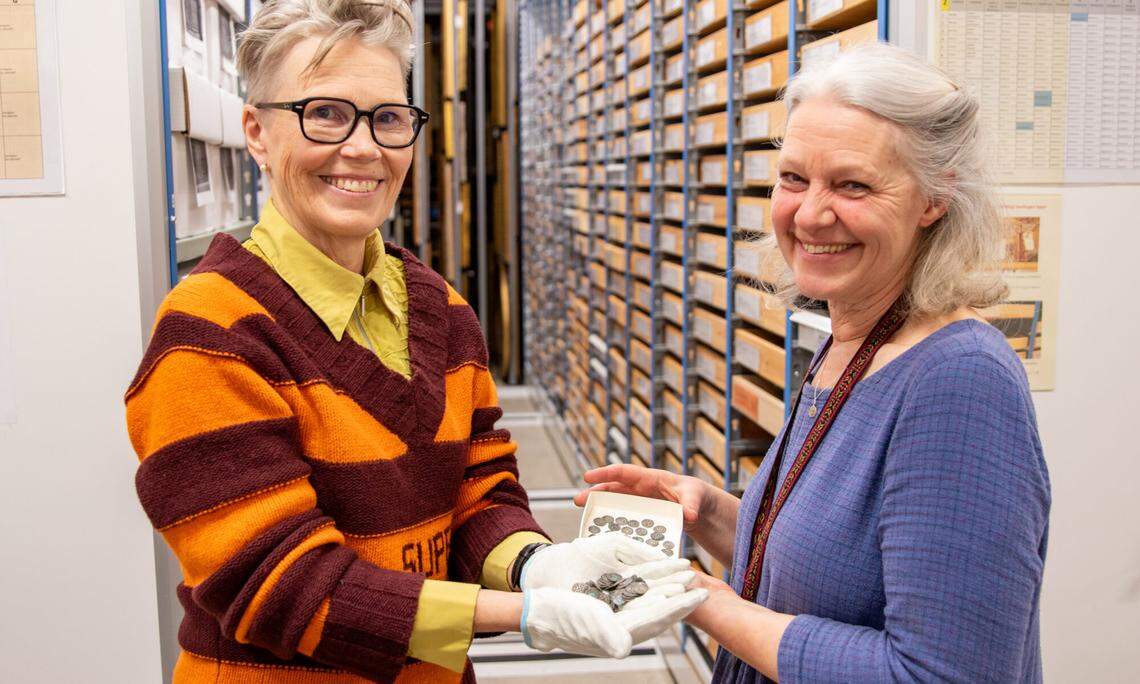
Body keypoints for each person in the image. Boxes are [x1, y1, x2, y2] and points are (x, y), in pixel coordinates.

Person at [125, 1, 704, 681]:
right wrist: (514, 612)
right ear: (256, 131)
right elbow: (282, 585)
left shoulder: (440, 309)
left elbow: (479, 494)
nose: (364, 148)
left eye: (388, 119)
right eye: (326, 113)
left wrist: (536, 562)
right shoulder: (209, 336)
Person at [577, 43, 1051, 683]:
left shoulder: (958, 382)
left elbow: (942, 675)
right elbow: (843, 574)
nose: (809, 213)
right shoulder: (853, 337)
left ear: (935, 198)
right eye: (794, 178)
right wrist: (714, 515)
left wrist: (703, 600)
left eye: (853, 184)